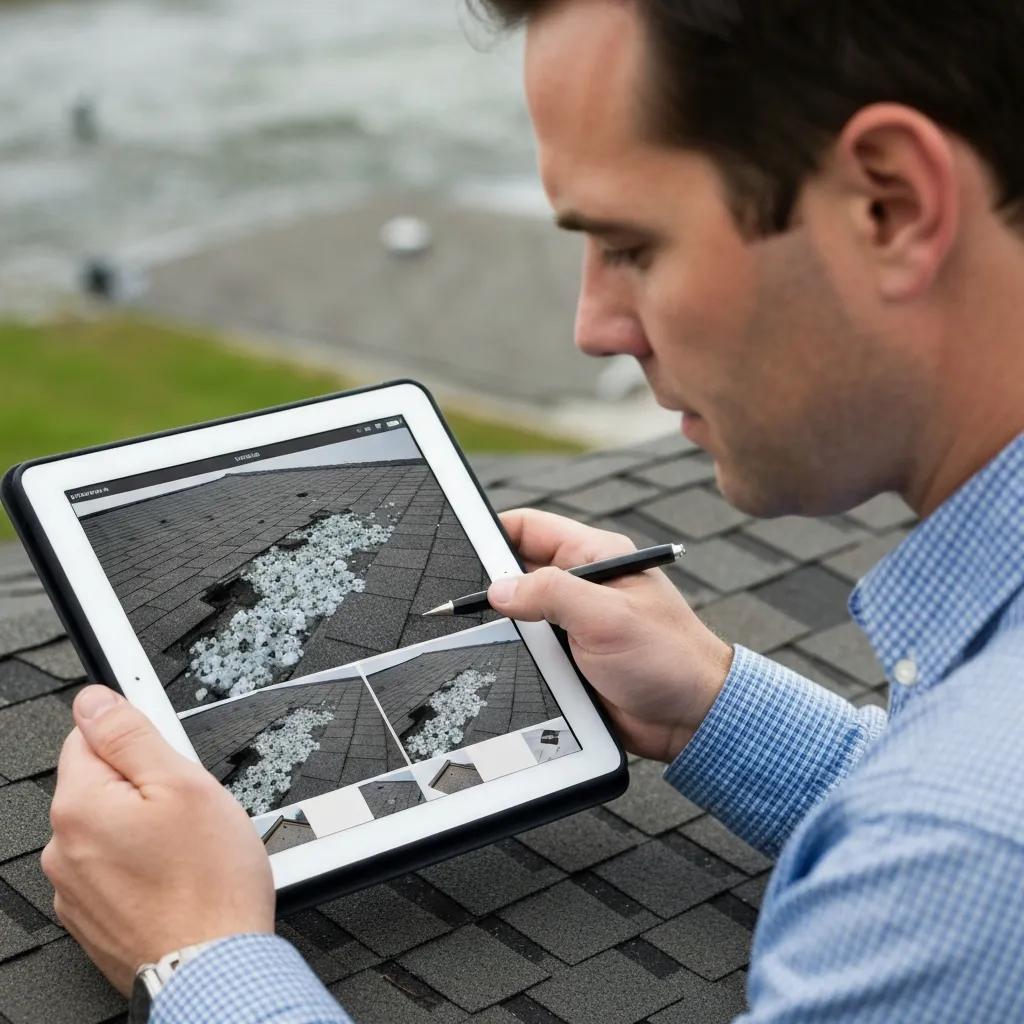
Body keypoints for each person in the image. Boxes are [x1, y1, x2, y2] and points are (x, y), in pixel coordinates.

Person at [43, 1, 1024, 1020]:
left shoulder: (959, 860)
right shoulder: (960, 829)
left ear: (890, 205)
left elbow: (957, 861)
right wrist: (709, 704)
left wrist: (196, 958)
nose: (594, 328)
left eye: (631, 246)